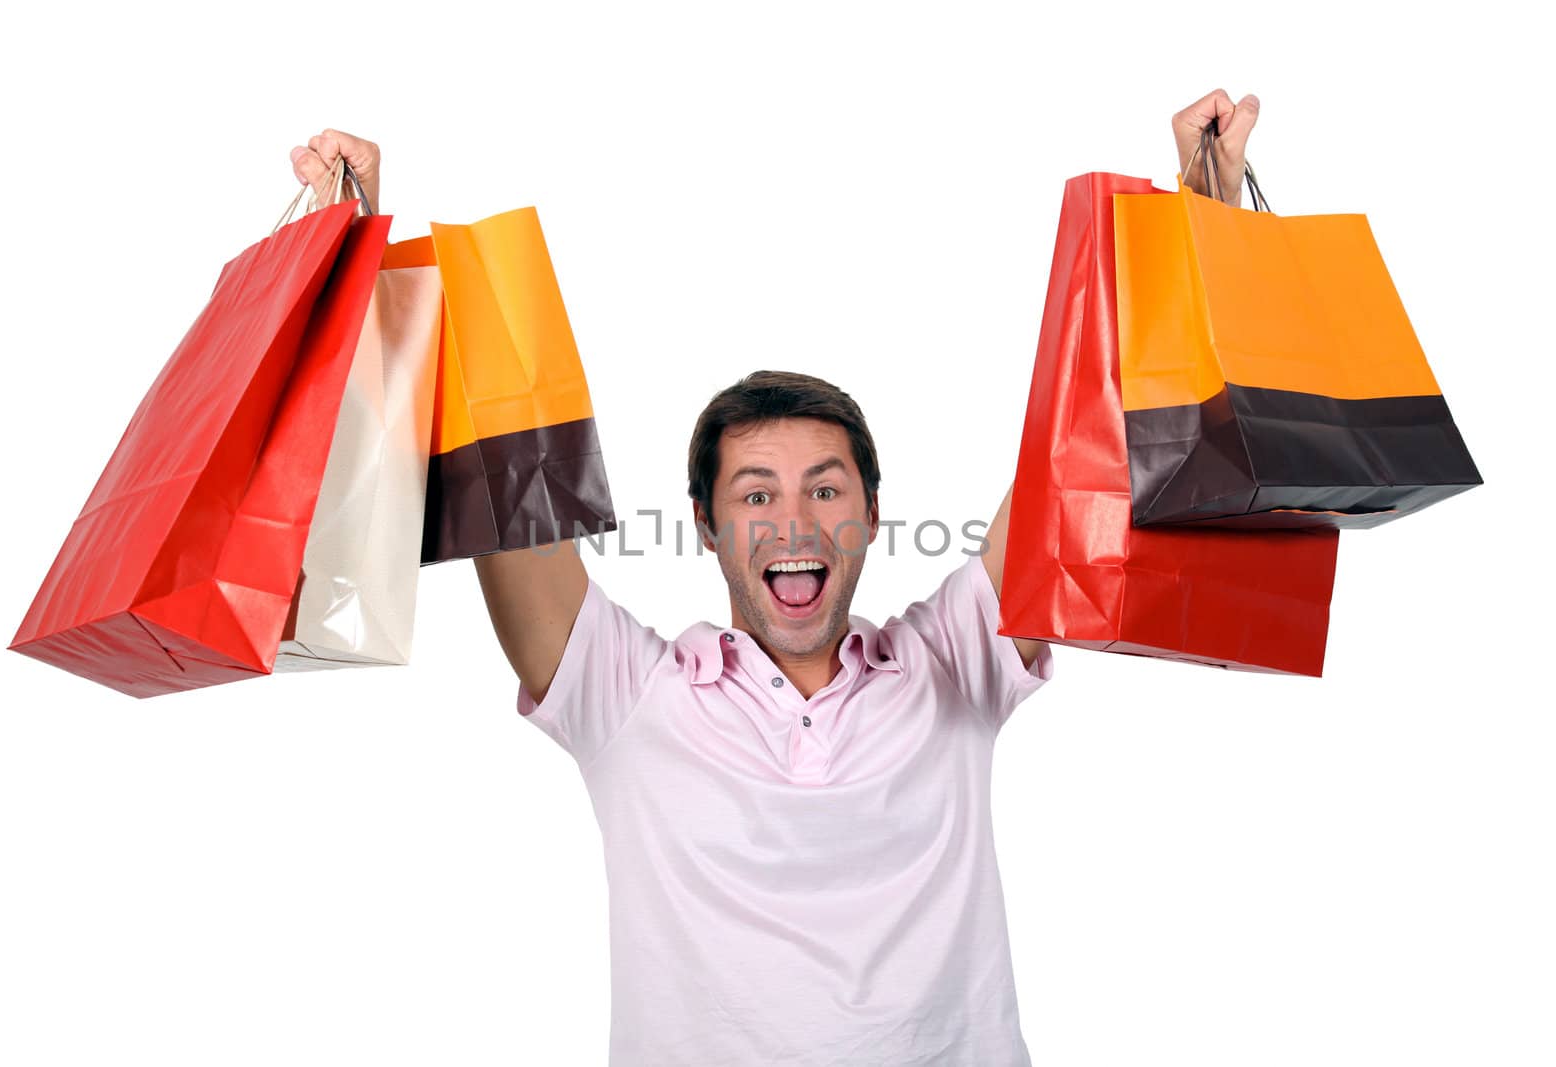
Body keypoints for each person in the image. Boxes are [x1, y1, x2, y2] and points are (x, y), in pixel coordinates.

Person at [288, 89, 1262, 1066]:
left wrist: (1198, 209)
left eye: (824, 489)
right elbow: (507, 492)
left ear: (872, 516)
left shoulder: (954, 661)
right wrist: (365, 236)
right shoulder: (627, 694)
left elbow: (1075, 437)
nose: (794, 522)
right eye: (754, 495)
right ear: (707, 527)